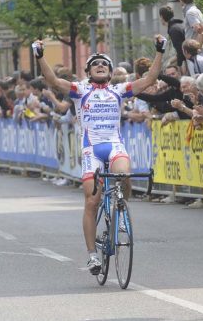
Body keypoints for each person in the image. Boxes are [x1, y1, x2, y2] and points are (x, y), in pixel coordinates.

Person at [32, 35, 165, 275]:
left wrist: (159, 51)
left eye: (104, 63)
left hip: (114, 145)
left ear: (112, 71)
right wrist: (40, 56)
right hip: (91, 150)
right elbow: (52, 80)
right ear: (88, 71)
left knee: (124, 174)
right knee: (91, 201)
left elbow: (150, 79)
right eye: (95, 64)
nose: (100, 66)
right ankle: (92, 255)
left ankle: (122, 210)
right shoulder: (80, 90)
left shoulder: (119, 89)